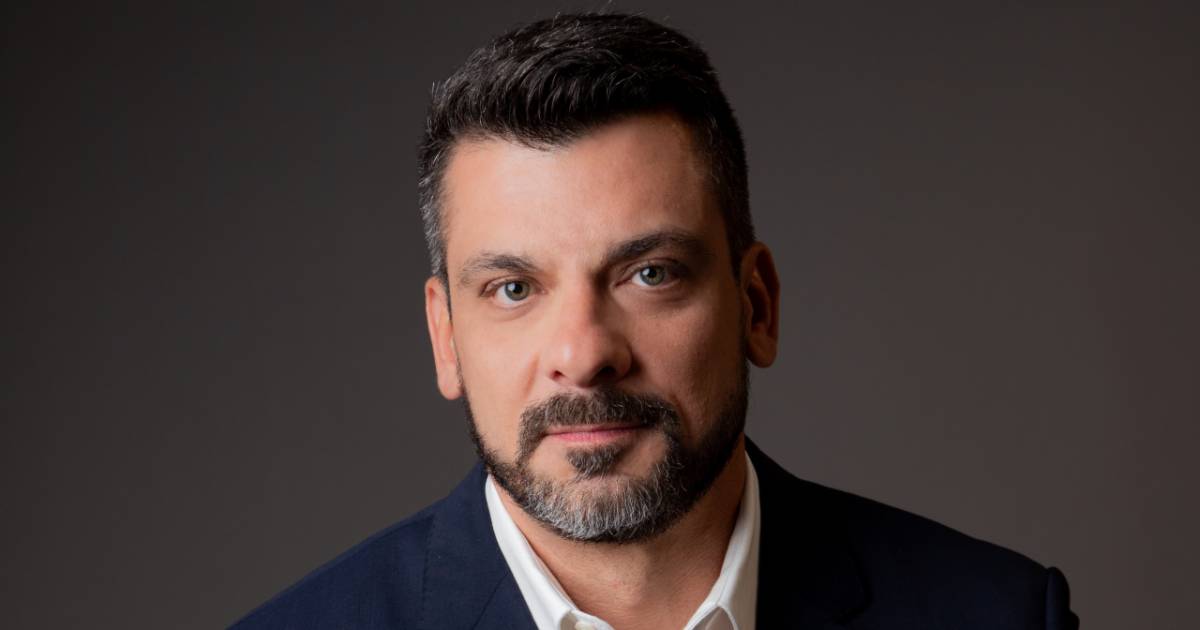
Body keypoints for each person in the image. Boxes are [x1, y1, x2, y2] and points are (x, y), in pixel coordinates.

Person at [232, 13, 1077, 630]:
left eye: (649, 274)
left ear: (757, 306)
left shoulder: (997, 615)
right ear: (445, 337)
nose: (584, 354)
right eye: (514, 289)